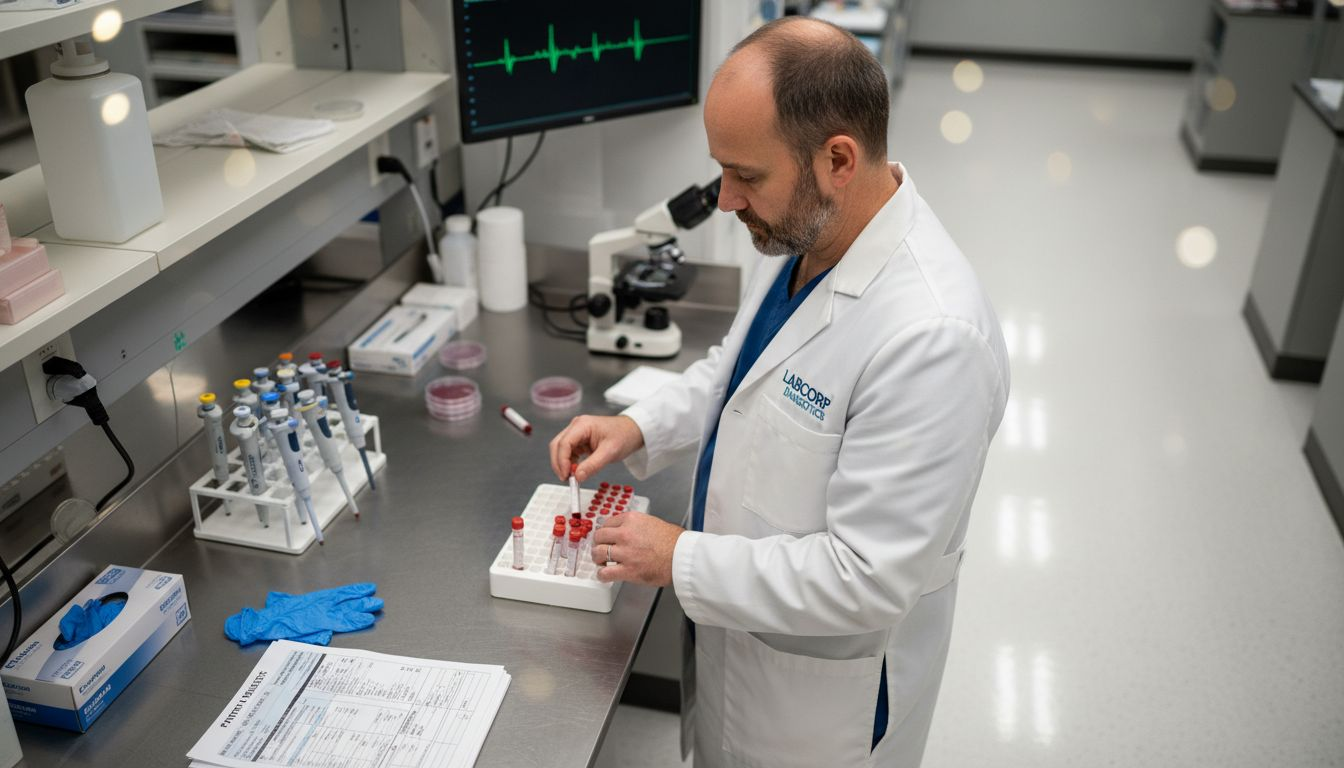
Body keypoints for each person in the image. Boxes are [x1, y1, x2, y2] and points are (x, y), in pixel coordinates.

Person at [550, 17, 1010, 768]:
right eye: (723, 170)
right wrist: (639, 426)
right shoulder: (802, 235)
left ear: (837, 159)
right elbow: (737, 375)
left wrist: (681, 559)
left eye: (748, 175)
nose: (727, 199)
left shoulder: (934, 339)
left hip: (818, 710)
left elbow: (867, 578)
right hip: (741, 646)